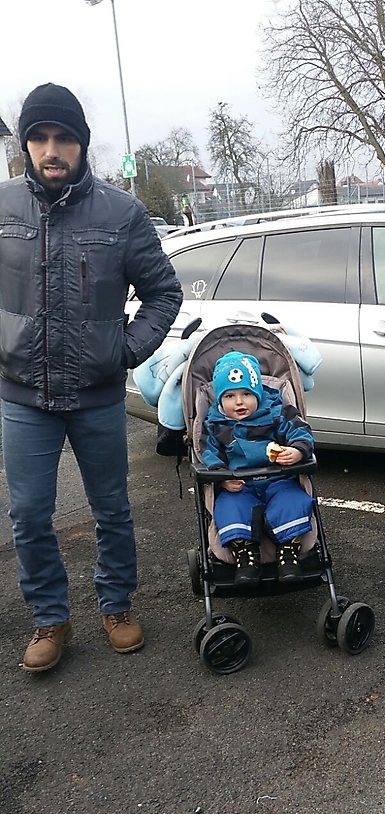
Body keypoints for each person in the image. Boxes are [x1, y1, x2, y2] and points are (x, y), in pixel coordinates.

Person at [0, 83, 183, 671]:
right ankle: (50, 618)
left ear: (81, 144)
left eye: (64, 138)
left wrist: (124, 351)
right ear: (27, 144)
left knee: (112, 509)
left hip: (97, 394)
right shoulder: (3, 208)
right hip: (23, 395)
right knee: (29, 515)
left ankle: (117, 605)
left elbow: (163, 293)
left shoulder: (121, 213)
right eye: (40, 138)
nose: (52, 150)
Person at [201, 351, 315, 583]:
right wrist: (222, 478)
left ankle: (289, 552)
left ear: (258, 393)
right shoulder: (215, 425)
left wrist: (297, 451)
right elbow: (209, 454)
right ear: (220, 400)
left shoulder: (276, 412)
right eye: (230, 396)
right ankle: (245, 556)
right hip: (240, 484)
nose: (239, 402)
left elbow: (300, 431)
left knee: (293, 500)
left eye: (246, 394)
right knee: (228, 507)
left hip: (279, 479)